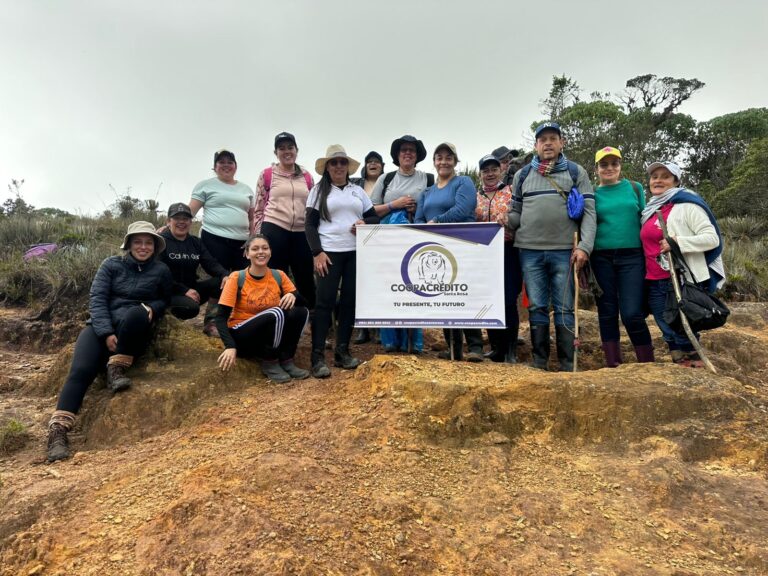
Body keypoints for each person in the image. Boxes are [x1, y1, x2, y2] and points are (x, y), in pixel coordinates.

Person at [46, 222, 173, 462]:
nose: (143, 247)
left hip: (133, 327)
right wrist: (105, 333)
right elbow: (97, 299)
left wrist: (152, 309)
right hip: (101, 325)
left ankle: (116, 369)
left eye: (148, 242)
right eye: (138, 242)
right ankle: (58, 432)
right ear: (129, 244)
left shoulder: (161, 270)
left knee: (137, 313)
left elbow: (164, 299)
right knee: (81, 370)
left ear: (155, 246)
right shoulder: (111, 265)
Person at [506, 122, 596, 371]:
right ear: (536, 145)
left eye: (553, 138)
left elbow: (590, 212)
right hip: (529, 251)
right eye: (542, 139)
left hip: (565, 251)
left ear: (561, 143)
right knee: (537, 306)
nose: (547, 143)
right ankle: (539, 362)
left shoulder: (576, 172)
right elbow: (516, 213)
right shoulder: (522, 175)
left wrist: (585, 247)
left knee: (565, 307)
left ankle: (567, 363)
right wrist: (505, 220)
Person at [640, 161, 725, 368]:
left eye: (665, 177)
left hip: (678, 278)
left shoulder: (688, 205)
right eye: (654, 177)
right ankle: (679, 362)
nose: (658, 180)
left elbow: (712, 238)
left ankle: (694, 365)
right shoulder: (650, 209)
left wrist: (678, 242)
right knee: (665, 324)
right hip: (653, 279)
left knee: (682, 324)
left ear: (676, 181)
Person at [305, 145, 380, 378]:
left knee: (349, 302)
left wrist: (364, 223)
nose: (338, 166)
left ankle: (342, 352)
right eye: (334, 162)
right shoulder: (318, 191)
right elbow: (310, 224)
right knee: (324, 302)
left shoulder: (357, 191)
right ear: (327, 167)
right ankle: (317, 357)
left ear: (348, 166)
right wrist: (317, 252)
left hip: (355, 252)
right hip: (329, 253)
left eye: (342, 162)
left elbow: (373, 217)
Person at [414, 142, 483, 362]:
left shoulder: (464, 182)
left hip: (463, 245)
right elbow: (418, 219)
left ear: (455, 161)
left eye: (448, 157)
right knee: (445, 294)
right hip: (436, 249)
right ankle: (454, 347)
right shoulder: (427, 192)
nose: (443, 161)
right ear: (434, 162)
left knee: (464, 293)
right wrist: (425, 228)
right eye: (439, 157)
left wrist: (436, 222)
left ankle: (475, 347)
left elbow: (464, 208)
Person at [369, 135, 435, 354]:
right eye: (403, 150)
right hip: (387, 241)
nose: (408, 153)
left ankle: (413, 341)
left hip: (417, 240)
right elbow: (371, 211)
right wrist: (394, 204)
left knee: (414, 286)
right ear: (397, 155)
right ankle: (391, 340)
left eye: (412, 150)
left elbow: (433, 208)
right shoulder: (386, 179)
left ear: (417, 156)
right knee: (389, 285)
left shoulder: (428, 179)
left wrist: (417, 209)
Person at [215, 234, 310, 382]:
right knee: (276, 312)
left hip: (268, 335)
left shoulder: (278, 275)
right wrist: (230, 346)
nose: (261, 252)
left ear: (270, 252)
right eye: (255, 249)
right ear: (247, 254)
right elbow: (220, 317)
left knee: (300, 312)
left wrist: (292, 295)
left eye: (265, 248)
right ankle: (270, 362)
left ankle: (287, 359)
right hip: (243, 335)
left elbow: (304, 302)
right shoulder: (236, 278)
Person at [591, 147, 655, 367]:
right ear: (596, 169)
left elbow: (646, 220)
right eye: (604, 164)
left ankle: (647, 364)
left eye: (614, 164)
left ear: (620, 166)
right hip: (601, 258)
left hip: (633, 256)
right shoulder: (591, 193)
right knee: (607, 311)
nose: (609, 168)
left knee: (632, 313)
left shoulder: (635, 188)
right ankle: (613, 364)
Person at [252, 132, 317, 310]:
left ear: (297, 150)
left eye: (290, 147)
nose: (287, 151)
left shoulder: (307, 176)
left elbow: (312, 205)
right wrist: (257, 237)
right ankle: (275, 316)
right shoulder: (267, 174)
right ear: (276, 153)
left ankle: (308, 317)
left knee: (305, 277)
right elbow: (258, 208)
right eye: (282, 148)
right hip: (274, 227)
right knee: (275, 276)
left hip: (301, 232)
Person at [476, 154, 522, 363]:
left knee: (508, 298)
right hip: (483, 253)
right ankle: (496, 347)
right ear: (480, 174)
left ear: (501, 170)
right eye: (485, 170)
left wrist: (509, 218)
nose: (490, 174)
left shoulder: (511, 192)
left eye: (494, 169)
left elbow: (520, 215)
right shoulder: (475, 197)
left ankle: (511, 349)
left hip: (508, 249)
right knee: (488, 297)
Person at [160, 202, 229, 335]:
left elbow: (210, 263)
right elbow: (159, 275)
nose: (181, 222)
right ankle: (164, 320)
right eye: (177, 218)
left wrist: (225, 274)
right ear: (168, 221)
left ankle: (212, 322)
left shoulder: (195, 242)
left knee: (221, 282)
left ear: (190, 222)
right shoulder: (161, 242)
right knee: (190, 308)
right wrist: (184, 290)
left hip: (191, 290)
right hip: (168, 292)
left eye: (185, 218)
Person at [351, 150, 385, 345]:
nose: (373, 164)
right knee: (360, 283)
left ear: (382, 166)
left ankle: (379, 327)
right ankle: (363, 327)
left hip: (381, 237)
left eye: (377, 161)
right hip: (358, 238)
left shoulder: (388, 182)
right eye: (369, 161)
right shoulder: (355, 184)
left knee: (379, 281)